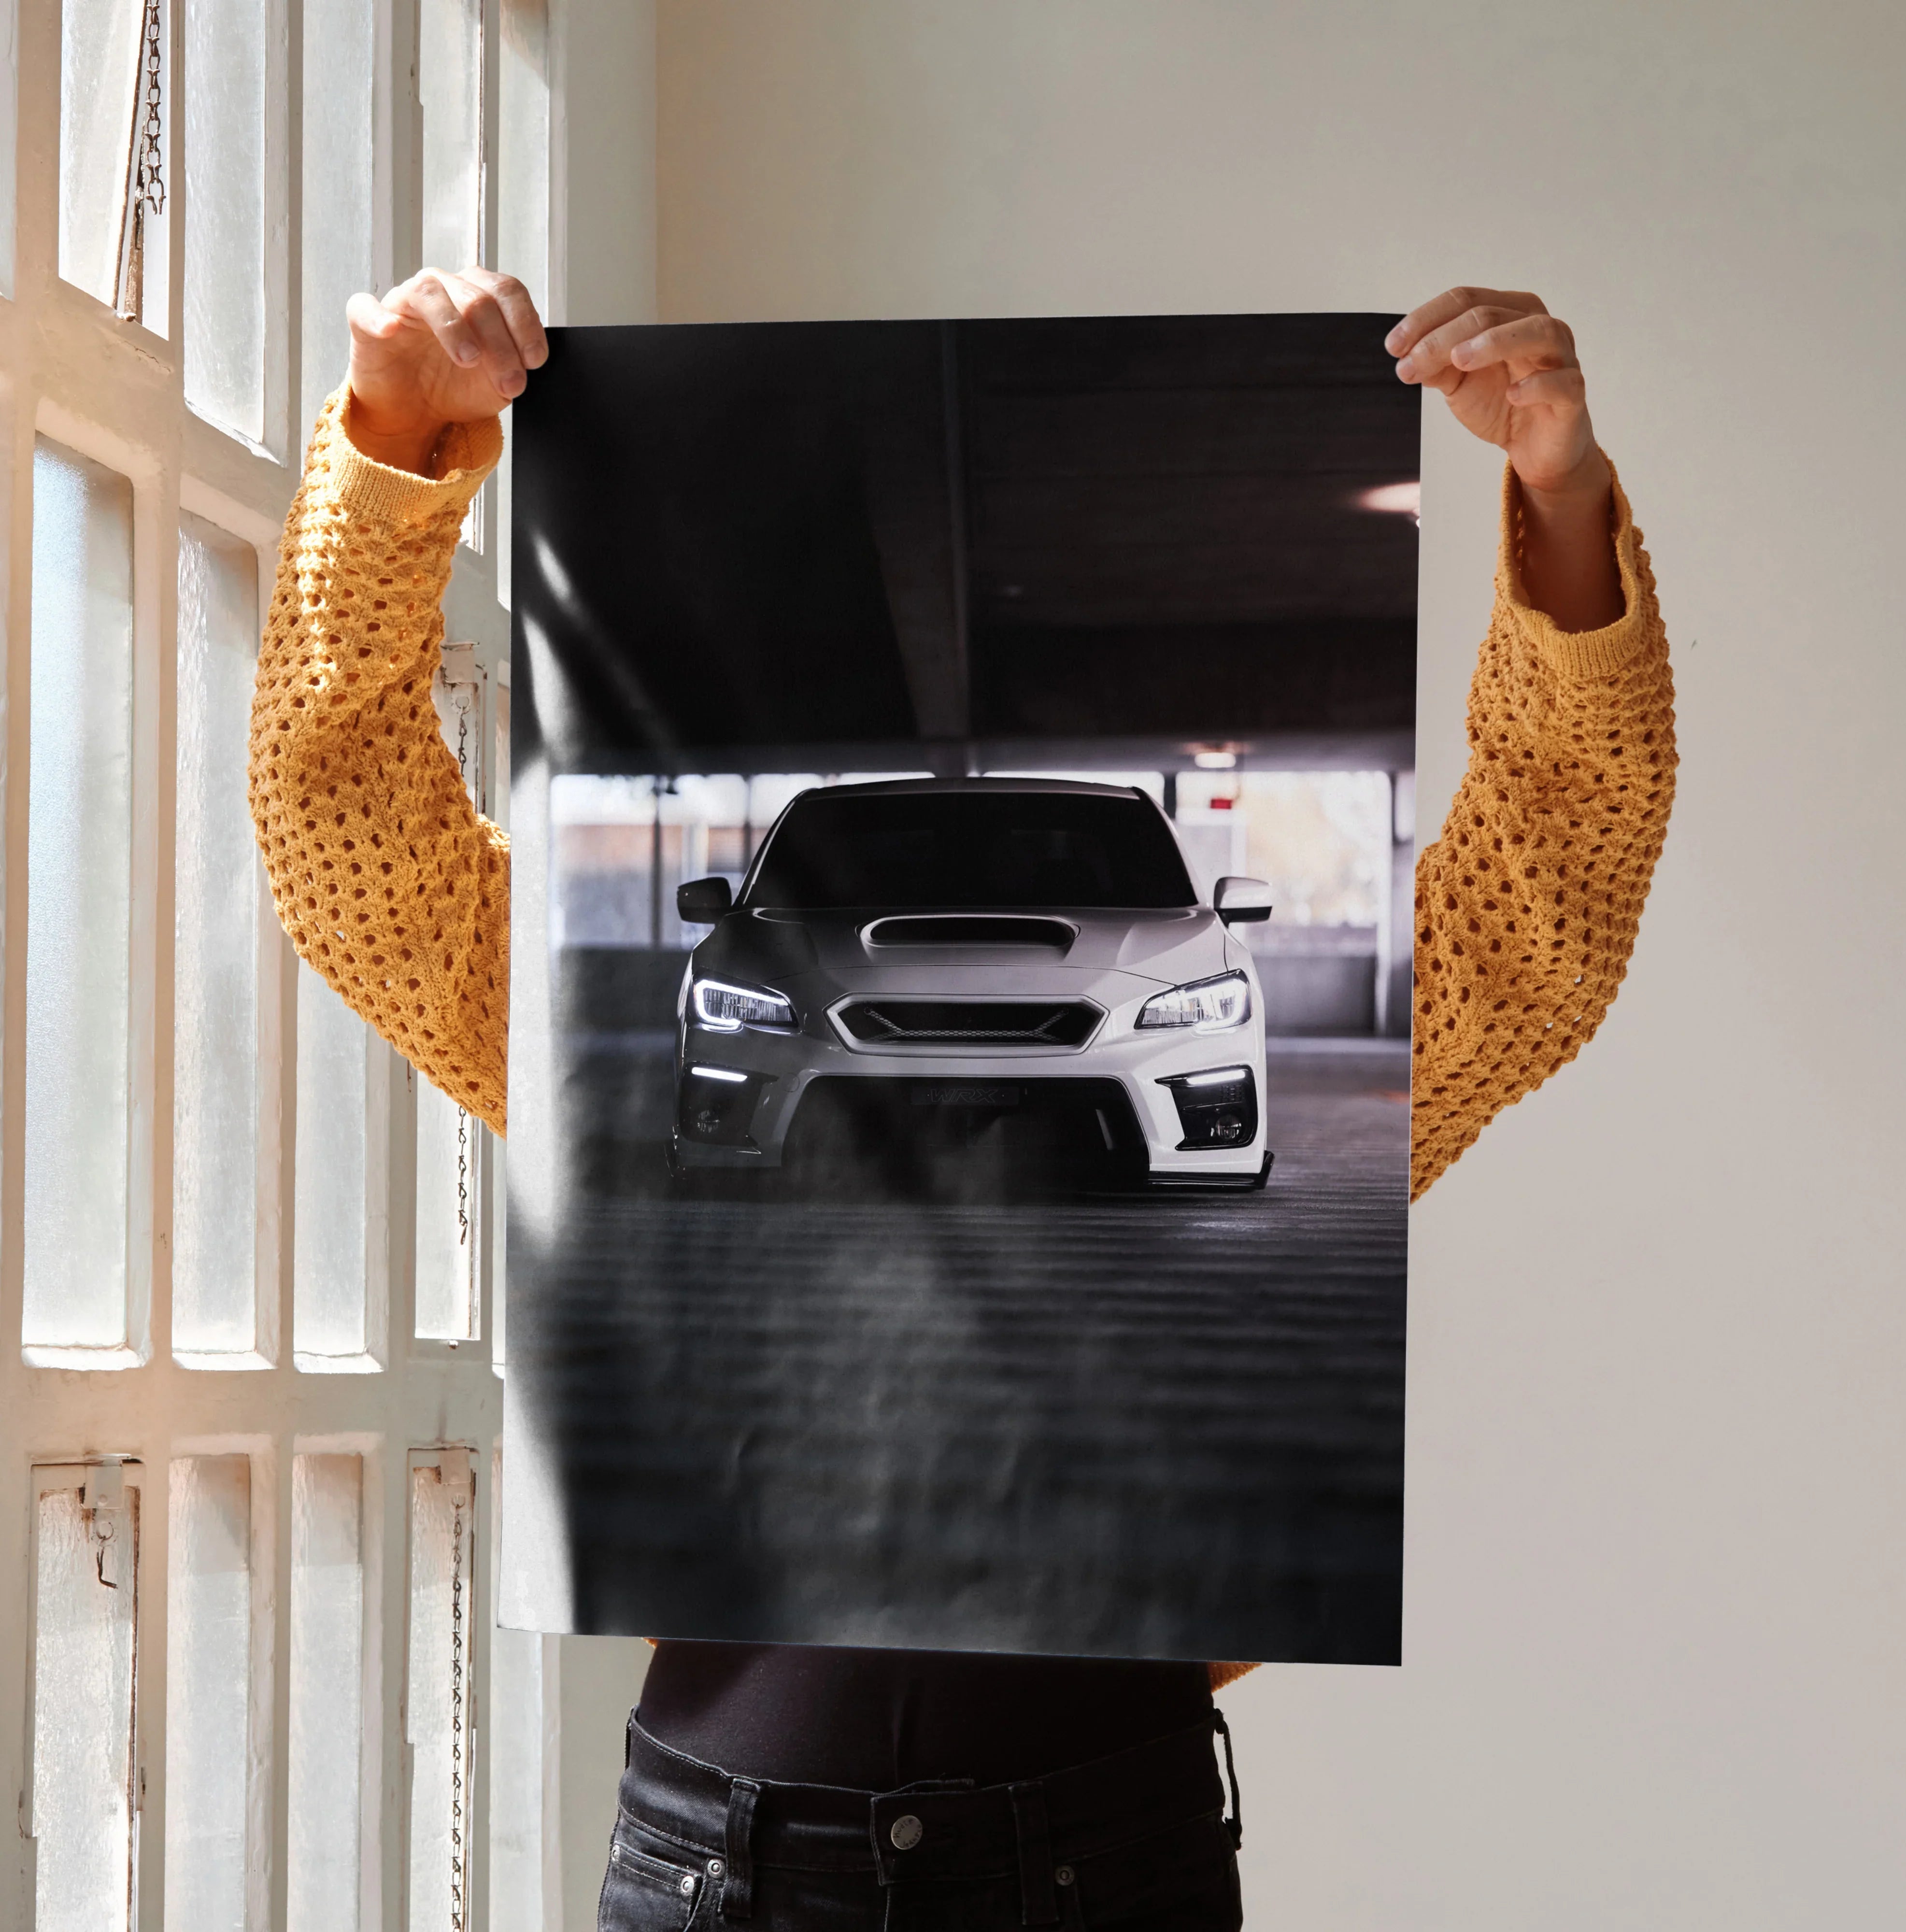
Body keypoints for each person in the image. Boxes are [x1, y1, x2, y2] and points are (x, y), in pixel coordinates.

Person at [250, 271, 1675, 1930]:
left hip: (1106, 1849)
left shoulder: (1248, 1055)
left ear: (1216, 961)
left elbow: (1548, 901)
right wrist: (391, 447)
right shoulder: (604, 1059)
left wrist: (1560, 497)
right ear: (741, 956)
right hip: (728, 1862)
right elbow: (348, 841)